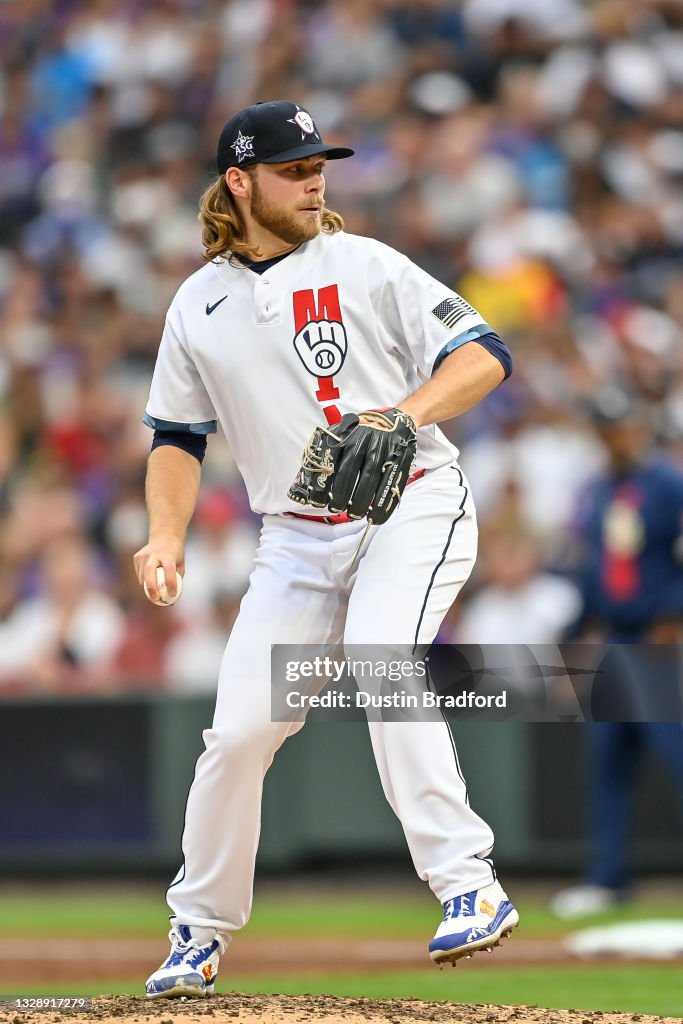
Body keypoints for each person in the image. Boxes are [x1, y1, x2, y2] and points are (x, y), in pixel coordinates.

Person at [136, 100, 518, 999]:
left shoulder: (361, 263)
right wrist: (164, 531)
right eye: (293, 167)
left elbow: (484, 353)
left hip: (410, 505)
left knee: (382, 660)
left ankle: (469, 886)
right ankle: (198, 930)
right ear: (240, 181)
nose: (314, 179)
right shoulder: (199, 304)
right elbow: (175, 437)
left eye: (318, 165)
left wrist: (401, 414)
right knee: (235, 736)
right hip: (295, 537)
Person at [551, 388, 683, 919]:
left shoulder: (668, 485)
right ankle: (609, 878)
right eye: (606, 430)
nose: (615, 438)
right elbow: (593, 572)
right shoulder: (601, 490)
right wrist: (577, 633)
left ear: (638, 426)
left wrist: (672, 619)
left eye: (621, 427)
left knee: (676, 758)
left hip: (658, 642)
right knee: (607, 766)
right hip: (613, 641)